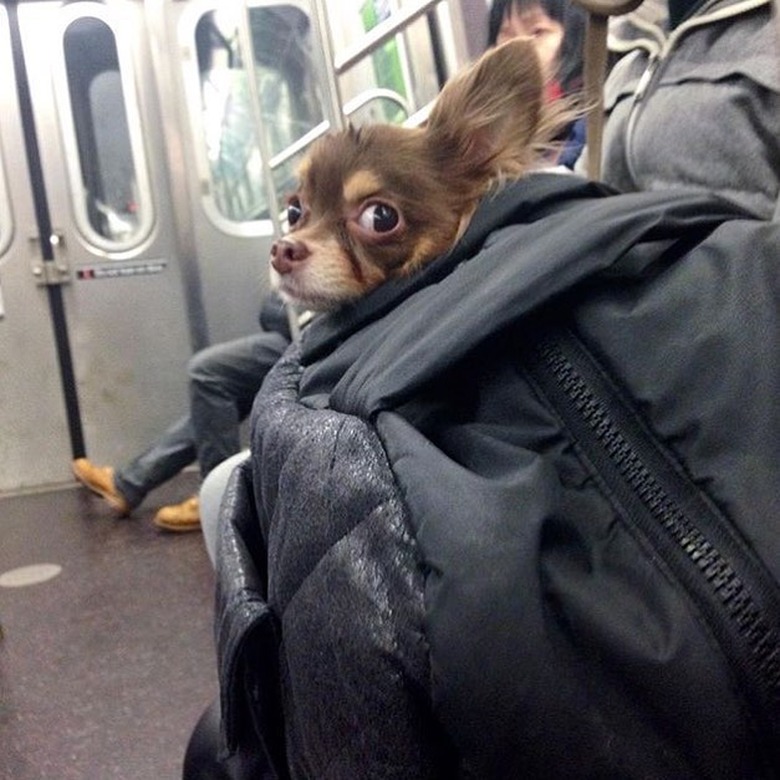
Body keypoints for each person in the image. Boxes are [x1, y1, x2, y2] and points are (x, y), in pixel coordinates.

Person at [72, 292, 291, 532]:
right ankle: (129, 484)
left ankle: (218, 500)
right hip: (298, 330)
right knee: (216, 405)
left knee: (209, 371)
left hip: (316, 337)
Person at [577, 0, 780, 218]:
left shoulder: (768, 35)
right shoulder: (630, 50)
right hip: (618, 244)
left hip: (734, 248)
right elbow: (584, 184)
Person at [488, 0, 588, 168]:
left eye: (537, 32)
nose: (521, 48)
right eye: (508, 36)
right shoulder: (486, 140)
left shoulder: (596, 124)